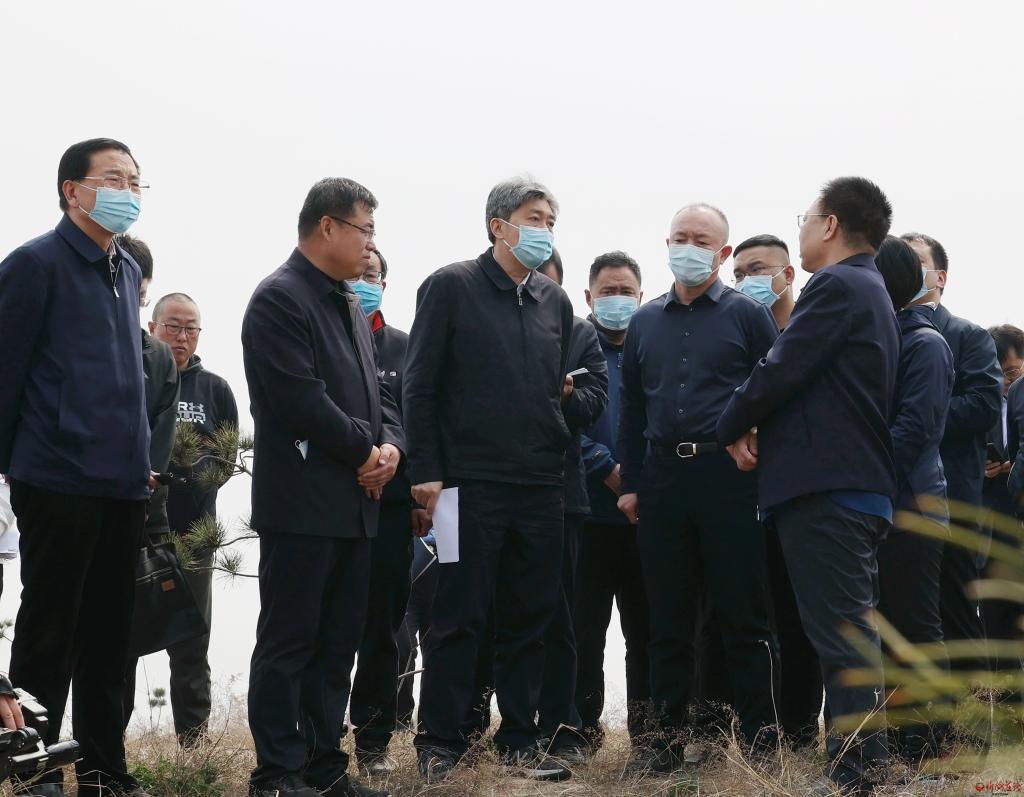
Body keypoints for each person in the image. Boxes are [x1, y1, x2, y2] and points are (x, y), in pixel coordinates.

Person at [718, 176, 899, 796]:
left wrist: (730, 424)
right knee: (849, 632)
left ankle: (856, 773)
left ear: (830, 225)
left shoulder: (837, 285)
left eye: (806, 217)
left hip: (829, 489)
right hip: (852, 485)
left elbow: (780, 368)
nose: (802, 227)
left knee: (843, 637)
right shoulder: (870, 288)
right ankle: (861, 766)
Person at [405, 176, 575, 782]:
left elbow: (555, 390)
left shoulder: (555, 301)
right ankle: (440, 743)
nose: (544, 230)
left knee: (531, 616)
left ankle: (521, 739)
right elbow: (419, 385)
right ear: (498, 226)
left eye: (550, 221)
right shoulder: (450, 286)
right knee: (458, 614)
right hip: (463, 487)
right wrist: (426, 472)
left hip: (540, 487)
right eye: (534, 218)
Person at [242, 177, 403, 797]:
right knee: (291, 642)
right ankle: (277, 772)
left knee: (337, 645)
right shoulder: (280, 299)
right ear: (328, 226)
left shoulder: (348, 304)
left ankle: (323, 766)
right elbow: (299, 399)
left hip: (355, 506)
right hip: (302, 504)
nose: (371, 246)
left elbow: (378, 396)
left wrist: (389, 450)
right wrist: (365, 451)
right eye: (365, 230)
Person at [0, 138, 152, 796]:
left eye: (136, 182)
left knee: (110, 637)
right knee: (49, 631)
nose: (129, 192)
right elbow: (6, 372)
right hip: (56, 476)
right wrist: (14, 468)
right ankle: (35, 772)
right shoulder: (35, 264)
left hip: (122, 482)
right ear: (73, 190)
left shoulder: (124, 268)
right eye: (114, 179)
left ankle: (103, 772)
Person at [617, 203, 780, 772]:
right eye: (680, 237)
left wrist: (755, 437)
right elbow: (632, 409)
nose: (689, 247)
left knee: (742, 617)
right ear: (667, 244)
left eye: (702, 240)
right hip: (663, 479)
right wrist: (631, 484)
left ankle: (759, 744)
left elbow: (774, 390)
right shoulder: (644, 322)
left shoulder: (748, 316)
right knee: (667, 620)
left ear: (723, 252)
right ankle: (662, 745)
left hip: (728, 477)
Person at [731, 233, 823, 748]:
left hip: (801, 493)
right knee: (749, 614)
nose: (746, 281)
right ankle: (755, 727)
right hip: (743, 494)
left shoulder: (812, 330)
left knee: (799, 614)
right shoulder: (736, 330)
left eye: (758, 269)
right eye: (738, 273)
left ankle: (801, 728)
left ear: (789, 274)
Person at [903, 232, 1002, 676]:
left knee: (957, 614)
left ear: (939, 277)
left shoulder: (966, 335)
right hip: (898, 497)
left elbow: (983, 405)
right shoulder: (884, 334)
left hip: (953, 496)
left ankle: (974, 715)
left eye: (915, 262)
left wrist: (919, 414)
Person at [873, 235, 954, 764]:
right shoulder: (882, 338)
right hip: (881, 505)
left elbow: (913, 432)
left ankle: (928, 749)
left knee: (917, 629)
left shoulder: (924, 344)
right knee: (885, 633)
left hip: (913, 508)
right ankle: (895, 744)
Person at [146, 290, 237, 746]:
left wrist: (185, 476)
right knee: (121, 640)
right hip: (139, 532)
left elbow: (226, 460)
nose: (182, 337)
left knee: (191, 645)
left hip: (194, 534)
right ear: (152, 329)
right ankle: (107, 753)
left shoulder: (215, 389)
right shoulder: (138, 377)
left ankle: (194, 747)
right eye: (173, 327)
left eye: (191, 329)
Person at [574, 251, 652, 753]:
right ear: (589, 296)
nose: (617, 300)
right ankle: (579, 730)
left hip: (647, 517)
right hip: (588, 514)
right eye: (608, 292)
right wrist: (605, 467)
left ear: (641, 296)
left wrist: (641, 479)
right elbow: (559, 420)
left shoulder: (655, 347)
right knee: (584, 630)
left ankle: (650, 734)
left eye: (626, 292)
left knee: (648, 630)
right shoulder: (571, 347)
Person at [347, 248, 420, 774]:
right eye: (356, 275)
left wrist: (414, 492)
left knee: (383, 630)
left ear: (384, 284)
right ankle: (318, 737)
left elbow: (418, 417)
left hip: (392, 508)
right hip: (334, 503)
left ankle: (373, 742)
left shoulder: (404, 346)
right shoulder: (322, 335)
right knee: (329, 626)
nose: (363, 283)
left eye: (371, 275)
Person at [537, 250, 609, 763]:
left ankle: (562, 727)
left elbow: (593, 404)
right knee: (476, 615)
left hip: (560, 495)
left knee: (560, 618)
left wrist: (563, 395)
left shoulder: (578, 334)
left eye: (547, 284)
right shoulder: (475, 320)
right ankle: (467, 730)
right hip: (484, 490)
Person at [116, 236, 182, 736]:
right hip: (73, 505)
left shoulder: (158, 358)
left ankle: (108, 750)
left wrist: (144, 484)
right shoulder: (77, 339)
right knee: (59, 627)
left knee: (124, 636)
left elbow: (160, 437)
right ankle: (41, 753)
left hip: (139, 513)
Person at [981, 324, 1024, 676]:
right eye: (1000, 374)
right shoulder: (985, 405)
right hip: (994, 518)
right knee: (996, 612)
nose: (1007, 381)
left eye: (1013, 371)